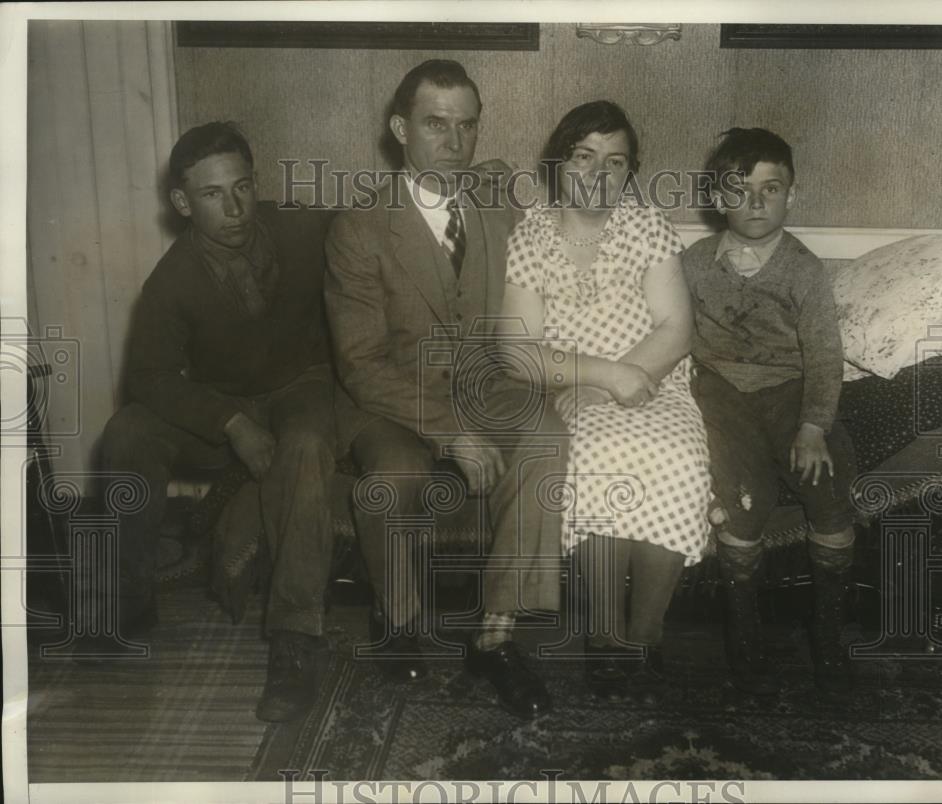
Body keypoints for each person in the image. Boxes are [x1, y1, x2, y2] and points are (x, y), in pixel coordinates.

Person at [325, 59, 567, 719]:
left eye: (467, 126)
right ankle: (400, 622)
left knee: (546, 433)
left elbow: (548, 279)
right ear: (400, 128)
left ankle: (496, 633)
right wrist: (452, 432)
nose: (454, 142)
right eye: (436, 124)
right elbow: (361, 362)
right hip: (390, 396)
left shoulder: (497, 203)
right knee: (395, 474)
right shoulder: (360, 227)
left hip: (481, 383)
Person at [98, 122, 343, 723]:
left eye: (242, 187)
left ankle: (294, 641)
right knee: (127, 432)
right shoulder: (169, 283)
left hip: (299, 388)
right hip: (223, 408)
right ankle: (124, 608)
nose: (235, 209)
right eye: (212, 195)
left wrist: (465, 180)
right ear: (183, 203)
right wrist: (231, 422)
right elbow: (148, 381)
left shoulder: (299, 227)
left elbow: (377, 216)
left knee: (308, 442)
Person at [499, 101, 714, 701]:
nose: (598, 173)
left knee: (677, 460)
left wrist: (618, 379)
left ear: (630, 172)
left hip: (657, 382)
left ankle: (642, 639)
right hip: (573, 392)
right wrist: (592, 380)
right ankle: (600, 637)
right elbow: (518, 352)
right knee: (594, 457)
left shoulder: (648, 226)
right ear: (558, 164)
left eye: (615, 162)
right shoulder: (531, 236)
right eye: (584, 157)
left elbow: (675, 329)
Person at [683, 127, 858, 696]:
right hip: (721, 391)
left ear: (791, 196)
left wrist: (813, 427)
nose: (755, 203)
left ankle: (825, 630)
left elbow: (826, 355)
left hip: (790, 390)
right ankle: (744, 631)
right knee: (741, 497)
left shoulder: (804, 270)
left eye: (771, 188)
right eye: (739, 189)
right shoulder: (692, 263)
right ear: (715, 197)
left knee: (830, 482)